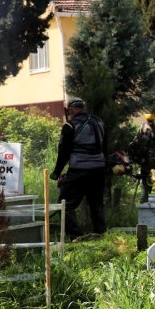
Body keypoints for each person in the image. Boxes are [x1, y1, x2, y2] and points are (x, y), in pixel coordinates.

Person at [51, 98, 108, 239]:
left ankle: (77, 237)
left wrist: (57, 172)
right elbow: (105, 147)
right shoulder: (99, 122)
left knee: (64, 205)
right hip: (99, 170)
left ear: (71, 110)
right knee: (96, 204)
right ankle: (101, 235)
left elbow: (63, 152)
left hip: (79, 170)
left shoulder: (70, 126)